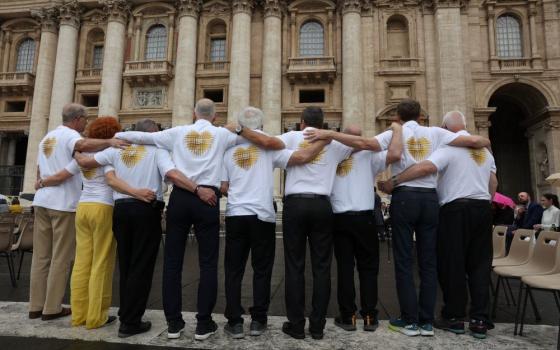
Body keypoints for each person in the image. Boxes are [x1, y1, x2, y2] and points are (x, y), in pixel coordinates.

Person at [305, 99, 491, 337]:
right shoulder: (435, 132)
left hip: (400, 199)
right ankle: (423, 320)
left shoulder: (390, 133)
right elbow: (474, 141)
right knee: (427, 262)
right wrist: (485, 141)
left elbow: (367, 144)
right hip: (428, 199)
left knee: (401, 261)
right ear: (422, 117)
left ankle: (406, 319)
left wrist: (332, 134)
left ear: (397, 117)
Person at [114, 99, 283, 341]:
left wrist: (115, 137)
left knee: (172, 263)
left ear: (194, 114)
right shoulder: (222, 135)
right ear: (214, 117)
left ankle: (174, 324)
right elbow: (265, 141)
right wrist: (239, 127)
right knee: (208, 263)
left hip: (180, 199)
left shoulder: (177, 132)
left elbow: (143, 138)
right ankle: (204, 323)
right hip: (207, 199)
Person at [379, 110, 498, 339]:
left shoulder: (448, 148)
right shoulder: (484, 151)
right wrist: (486, 203)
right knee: (480, 265)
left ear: (445, 127)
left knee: (453, 263)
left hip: (455, 209)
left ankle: (454, 317)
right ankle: (480, 320)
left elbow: (425, 168)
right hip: (483, 208)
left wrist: (395, 181)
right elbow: (493, 181)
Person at [75, 118, 198, 338]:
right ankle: (131, 322)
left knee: (127, 263)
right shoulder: (157, 150)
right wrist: (196, 188)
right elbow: (170, 174)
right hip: (145, 209)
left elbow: (85, 162)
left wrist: (73, 148)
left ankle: (126, 312)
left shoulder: (116, 148)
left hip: (120, 210)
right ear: (152, 132)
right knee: (142, 265)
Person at [219, 107, 328, 339]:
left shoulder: (227, 152)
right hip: (263, 215)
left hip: (236, 214)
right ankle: (259, 320)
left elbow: (223, 187)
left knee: (233, 271)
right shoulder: (269, 148)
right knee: (262, 270)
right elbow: (301, 157)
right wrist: (325, 140)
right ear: (260, 125)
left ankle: (235, 322)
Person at [29, 103, 127, 321]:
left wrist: (41, 182)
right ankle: (52, 307)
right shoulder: (72, 138)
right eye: (85, 119)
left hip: (42, 201)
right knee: (61, 258)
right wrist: (110, 142)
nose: (86, 124)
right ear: (77, 119)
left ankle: (35, 305)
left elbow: (39, 169)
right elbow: (68, 167)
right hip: (63, 203)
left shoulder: (47, 137)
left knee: (41, 256)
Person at [330, 125, 402, 333]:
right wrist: (397, 129)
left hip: (340, 218)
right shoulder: (371, 155)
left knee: (344, 269)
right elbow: (394, 153)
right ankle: (370, 316)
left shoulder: (333, 154)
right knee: (369, 269)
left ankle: (348, 317)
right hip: (364, 219)